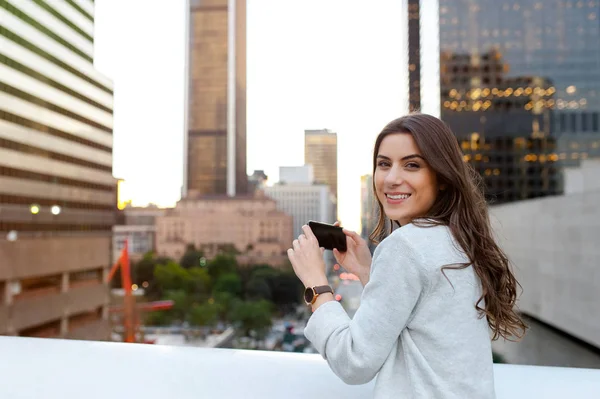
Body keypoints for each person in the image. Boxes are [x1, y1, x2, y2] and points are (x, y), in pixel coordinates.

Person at [287, 113, 526, 398]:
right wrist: (368, 273)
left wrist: (316, 284)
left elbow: (354, 362)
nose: (392, 179)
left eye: (412, 165)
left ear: (442, 177)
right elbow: (421, 322)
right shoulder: (458, 238)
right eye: (383, 164)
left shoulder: (405, 246)